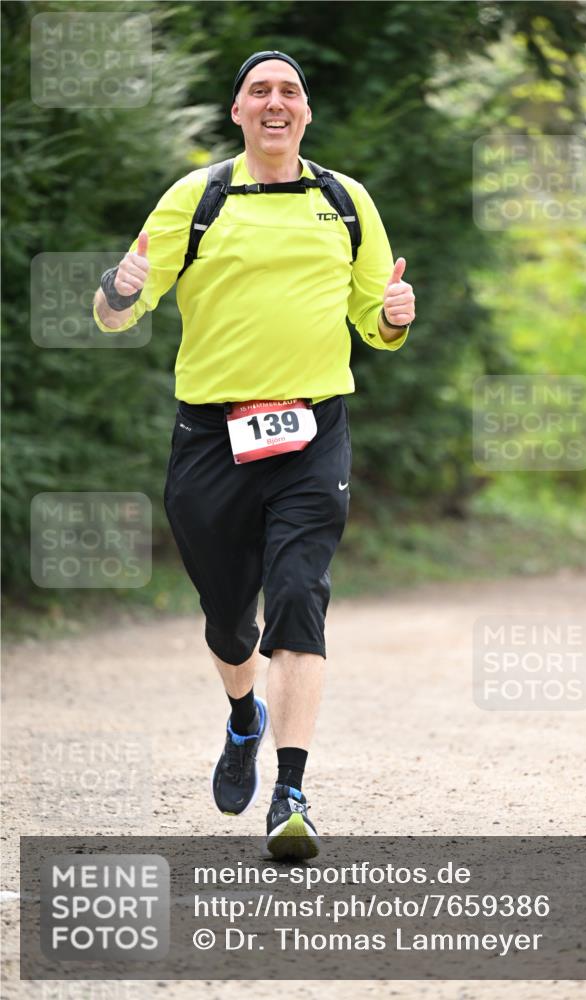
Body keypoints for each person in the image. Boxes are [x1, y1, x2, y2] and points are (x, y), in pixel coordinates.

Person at [92, 50, 415, 860]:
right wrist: (121, 287)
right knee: (229, 619)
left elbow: (375, 324)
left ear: (305, 112)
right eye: (259, 91)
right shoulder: (195, 198)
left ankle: (291, 792)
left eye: (290, 91)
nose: (276, 102)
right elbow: (113, 315)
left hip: (312, 433)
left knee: (300, 596)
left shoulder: (345, 201)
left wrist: (397, 315)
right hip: (212, 439)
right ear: (237, 111)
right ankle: (244, 718)